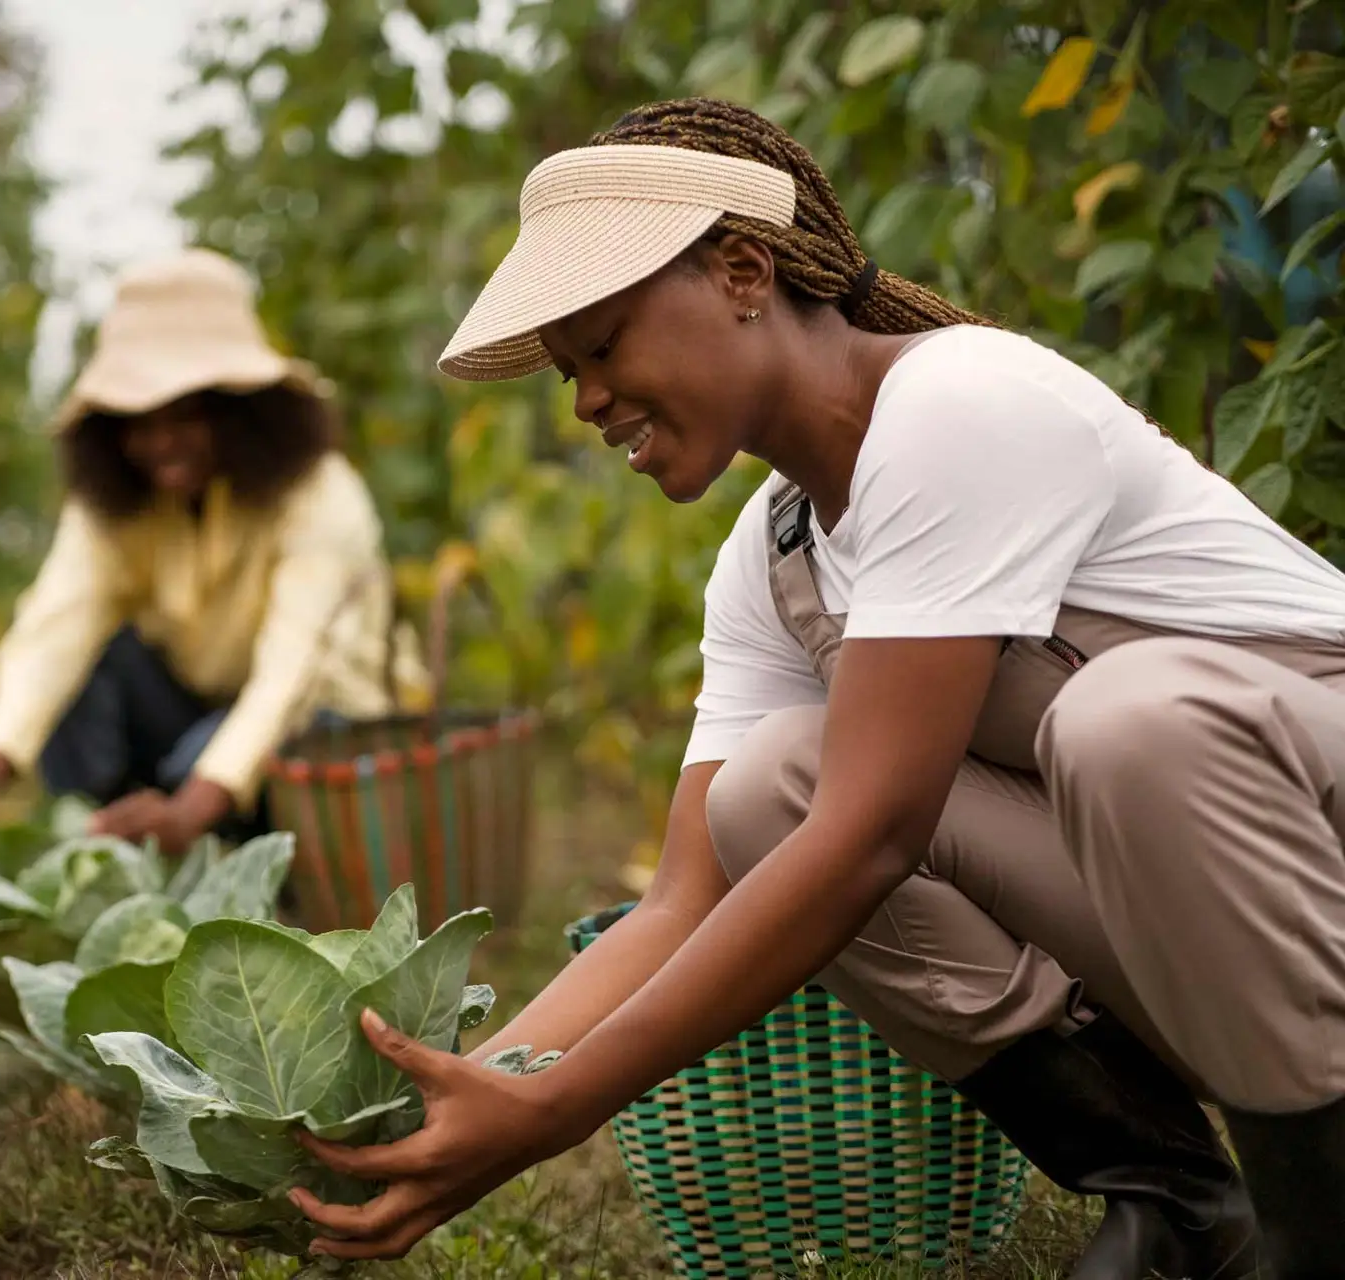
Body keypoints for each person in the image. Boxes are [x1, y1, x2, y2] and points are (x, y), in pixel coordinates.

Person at [289, 98, 1345, 1279]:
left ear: (744, 271)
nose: (585, 400)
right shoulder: (780, 547)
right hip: (1229, 943)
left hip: (1314, 865)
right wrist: (476, 1093)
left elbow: (872, 837)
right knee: (766, 794)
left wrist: (567, 1108)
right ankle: (1182, 1206)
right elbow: (683, 898)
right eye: (568, 369)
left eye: (602, 344)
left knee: (1123, 725)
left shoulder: (963, 406)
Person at [0, 248, 423, 865]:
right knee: (87, 672)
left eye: (186, 416)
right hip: (193, 713)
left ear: (243, 414)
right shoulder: (120, 506)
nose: (159, 443)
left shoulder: (322, 496)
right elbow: (54, 627)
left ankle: (211, 842)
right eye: (138, 422)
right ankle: (124, 842)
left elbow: (291, 676)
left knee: (209, 755)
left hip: (327, 732)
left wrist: (190, 808)